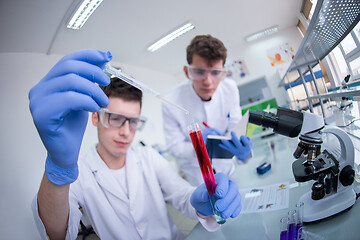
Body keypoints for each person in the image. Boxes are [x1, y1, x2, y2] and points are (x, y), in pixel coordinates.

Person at [29, 49, 242, 240]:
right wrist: (59, 168)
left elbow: (182, 194)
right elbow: (56, 233)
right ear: (95, 118)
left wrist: (201, 201)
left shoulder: (148, 157)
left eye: (133, 121)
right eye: (114, 118)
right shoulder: (79, 173)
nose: (125, 131)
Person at [162, 35, 253, 186]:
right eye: (199, 72)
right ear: (187, 72)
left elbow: (235, 128)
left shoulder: (230, 88)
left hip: (227, 169)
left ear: (224, 72)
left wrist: (244, 154)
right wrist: (197, 147)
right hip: (197, 176)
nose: (208, 81)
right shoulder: (171, 101)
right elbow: (174, 146)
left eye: (216, 72)